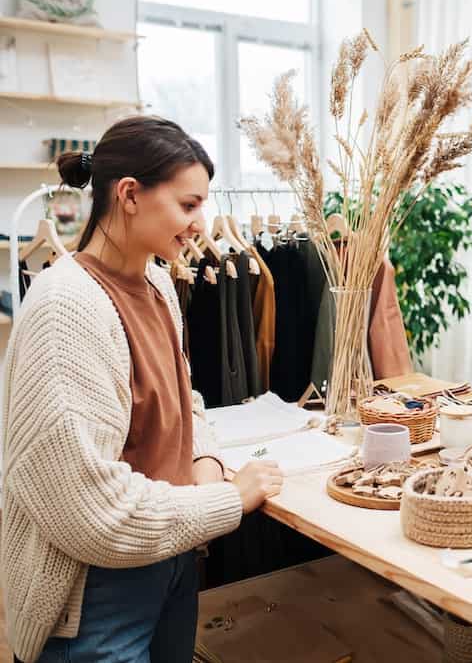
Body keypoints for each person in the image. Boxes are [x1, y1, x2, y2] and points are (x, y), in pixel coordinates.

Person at [1, 115, 283, 663]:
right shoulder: (66, 308)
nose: (202, 224)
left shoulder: (157, 283)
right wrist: (228, 499)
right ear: (129, 194)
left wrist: (205, 459)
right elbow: (90, 509)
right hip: (95, 593)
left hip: (171, 557)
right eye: (188, 205)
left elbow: (184, 396)